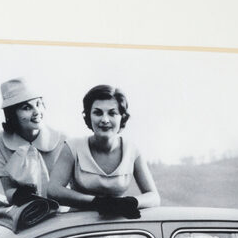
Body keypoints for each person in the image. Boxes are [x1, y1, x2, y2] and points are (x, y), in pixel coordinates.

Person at [48, 85, 160, 218]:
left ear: (122, 117)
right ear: (88, 116)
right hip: (77, 226)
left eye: (112, 113)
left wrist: (131, 202)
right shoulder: (73, 146)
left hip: (117, 227)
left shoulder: (132, 150)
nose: (105, 120)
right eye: (98, 113)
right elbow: (53, 190)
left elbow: (154, 197)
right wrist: (96, 202)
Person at [0, 79, 67, 231]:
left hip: (61, 216)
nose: (36, 112)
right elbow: (8, 191)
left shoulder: (61, 139)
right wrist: (20, 195)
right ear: (12, 114)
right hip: (23, 215)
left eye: (38, 104)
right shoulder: (0, 141)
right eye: (26, 108)